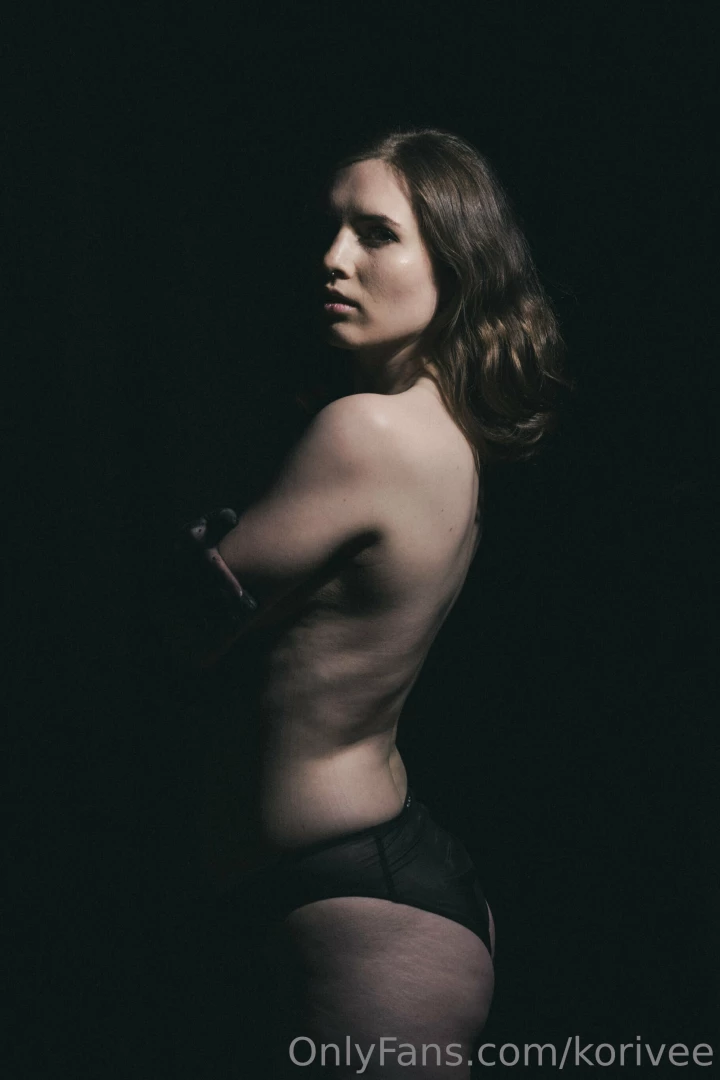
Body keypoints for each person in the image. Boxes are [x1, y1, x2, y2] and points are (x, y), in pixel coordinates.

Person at [178, 128, 569, 1078]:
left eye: (376, 234)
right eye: (331, 229)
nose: (333, 257)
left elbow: (171, 634)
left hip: (362, 910)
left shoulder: (367, 433)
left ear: (456, 265)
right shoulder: (448, 438)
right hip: (365, 887)